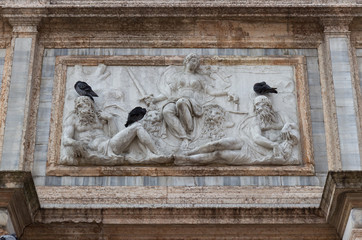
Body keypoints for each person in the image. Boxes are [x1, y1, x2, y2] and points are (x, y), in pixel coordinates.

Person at [174, 95, 299, 165]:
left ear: (268, 105)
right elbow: (256, 137)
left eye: (260, 105)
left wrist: (286, 128)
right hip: (248, 142)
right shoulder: (256, 119)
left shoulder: (281, 115)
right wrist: (273, 144)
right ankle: (189, 152)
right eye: (256, 106)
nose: (258, 109)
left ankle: (185, 160)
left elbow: (293, 126)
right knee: (217, 143)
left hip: (257, 154)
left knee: (218, 154)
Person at [147, 53, 234, 149]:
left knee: (182, 102)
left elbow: (211, 91)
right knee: (167, 110)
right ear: (187, 61)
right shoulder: (177, 76)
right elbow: (167, 93)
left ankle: (189, 128)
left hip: (192, 102)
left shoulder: (199, 78)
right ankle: (184, 136)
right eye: (193, 60)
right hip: (175, 100)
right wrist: (154, 99)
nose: (195, 63)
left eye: (196, 62)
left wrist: (226, 92)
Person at [60, 96, 159, 165]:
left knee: (137, 126)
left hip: (108, 145)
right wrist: (76, 143)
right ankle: (155, 153)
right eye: (80, 105)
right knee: (137, 126)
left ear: (91, 106)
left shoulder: (98, 117)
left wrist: (110, 119)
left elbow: (114, 135)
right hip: (91, 149)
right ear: (77, 108)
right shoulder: (72, 119)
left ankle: (156, 153)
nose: (82, 106)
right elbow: (65, 139)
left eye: (86, 104)